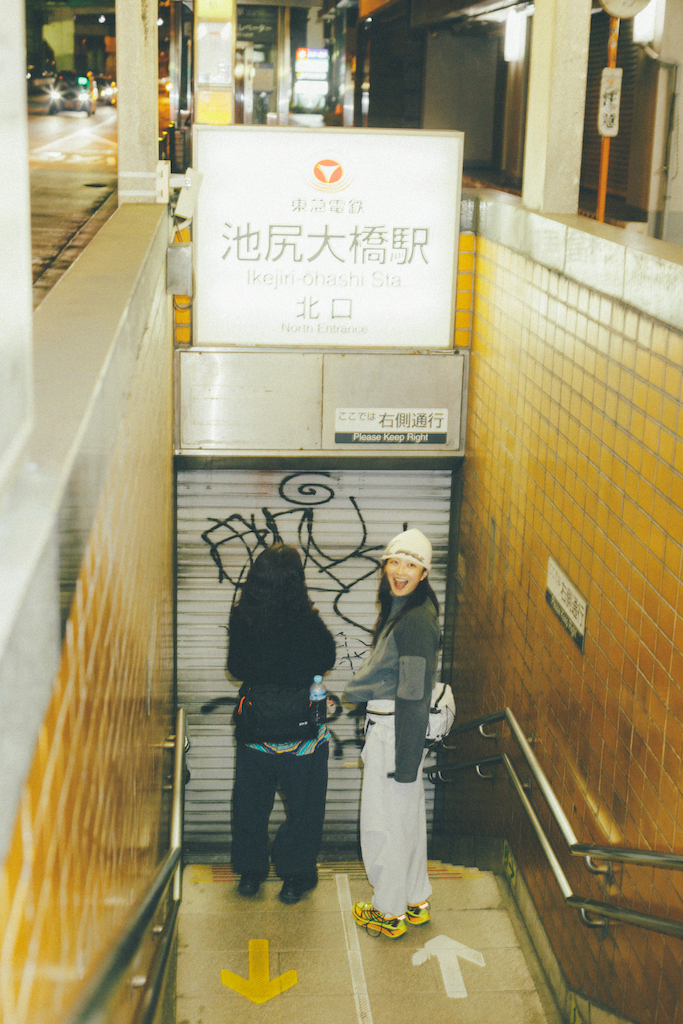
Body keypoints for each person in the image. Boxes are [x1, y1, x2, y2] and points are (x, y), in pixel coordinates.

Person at [343, 528, 441, 938]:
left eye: (412, 565)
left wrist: (405, 760)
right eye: (395, 562)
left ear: (424, 573)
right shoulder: (405, 608)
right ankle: (415, 900)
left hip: (395, 733)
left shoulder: (415, 622)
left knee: (383, 825)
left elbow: (415, 695)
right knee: (406, 821)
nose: (401, 571)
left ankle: (388, 911)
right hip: (397, 732)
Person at [227, 543, 336, 904]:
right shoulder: (307, 621)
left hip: (256, 731)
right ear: (296, 581)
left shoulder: (242, 618)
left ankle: (250, 874)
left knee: (250, 807)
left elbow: (236, 667)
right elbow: (327, 657)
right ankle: (294, 878)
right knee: (305, 810)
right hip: (301, 735)